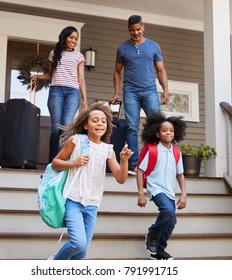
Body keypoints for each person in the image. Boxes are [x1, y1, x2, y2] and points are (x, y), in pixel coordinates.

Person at [50, 102, 133, 260]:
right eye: (95, 120)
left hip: (93, 204)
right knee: (78, 243)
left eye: (103, 121)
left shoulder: (107, 149)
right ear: (86, 125)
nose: (99, 123)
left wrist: (124, 161)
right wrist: (74, 163)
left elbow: (121, 179)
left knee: (82, 254)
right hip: (73, 200)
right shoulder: (76, 141)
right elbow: (55, 163)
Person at [111, 15, 169, 175]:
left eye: (138, 29)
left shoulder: (153, 46)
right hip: (130, 91)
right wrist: (116, 92)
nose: (135, 32)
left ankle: (157, 161)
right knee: (131, 127)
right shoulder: (123, 48)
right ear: (128, 29)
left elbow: (161, 70)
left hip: (150, 90)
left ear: (143, 27)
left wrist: (165, 90)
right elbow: (117, 71)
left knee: (157, 125)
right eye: (132, 30)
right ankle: (134, 164)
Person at [32, 26, 88, 162]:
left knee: (66, 129)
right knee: (56, 129)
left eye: (76, 39)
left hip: (72, 93)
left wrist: (84, 100)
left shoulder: (79, 56)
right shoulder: (54, 54)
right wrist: (37, 77)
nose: (74, 41)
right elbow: (50, 75)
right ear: (65, 37)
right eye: (71, 37)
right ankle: (52, 163)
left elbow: (81, 79)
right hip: (56, 91)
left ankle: (65, 161)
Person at [136, 111, 187, 260]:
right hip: (156, 188)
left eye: (171, 130)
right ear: (157, 134)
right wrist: (141, 193)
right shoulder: (152, 150)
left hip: (169, 190)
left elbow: (180, 174)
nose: (168, 133)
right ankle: (153, 233)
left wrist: (183, 194)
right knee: (167, 211)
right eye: (164, 130)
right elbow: (140, 171)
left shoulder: (176, 153)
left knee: (171, 221)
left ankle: (158, 251)